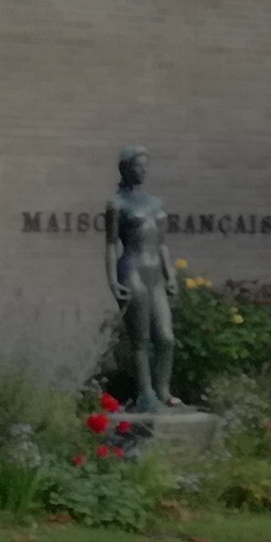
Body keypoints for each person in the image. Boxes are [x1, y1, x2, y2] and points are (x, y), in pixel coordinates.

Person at [109, 147, 177, 412]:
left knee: (166, 337)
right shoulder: (117, 204)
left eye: (145, 165)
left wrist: (170, 274)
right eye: (138, 165)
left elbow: (162, 245)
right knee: (141, 338)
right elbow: (111, 245)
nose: (143, 170)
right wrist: (113, 281)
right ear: (126, 169)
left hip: (155, 274)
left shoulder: (155, 203)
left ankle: (163, 389)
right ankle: (146, 393)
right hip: (132, 270)